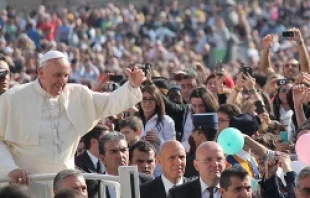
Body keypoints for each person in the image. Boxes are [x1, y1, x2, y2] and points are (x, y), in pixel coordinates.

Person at [0, 50, 144, 188]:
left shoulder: (77, 94)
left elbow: (110, 102)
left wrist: (131, 86)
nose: (62, 81)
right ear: (41, 72)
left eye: (66, 75)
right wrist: (10, 169)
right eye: (57, 75)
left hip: (65, 187)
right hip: (26, 186)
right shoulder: (13, 99)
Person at [96, 131, 152, 198]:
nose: (120, 155)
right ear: (103, 158)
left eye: (123, 150)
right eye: (113, 151)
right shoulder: (94, 185)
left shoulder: (148, 182)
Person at [184, 113, 218, 178]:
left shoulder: (192, 162)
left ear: (201, 136)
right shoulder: (224, 158)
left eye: (194, 132)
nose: (192, 135)